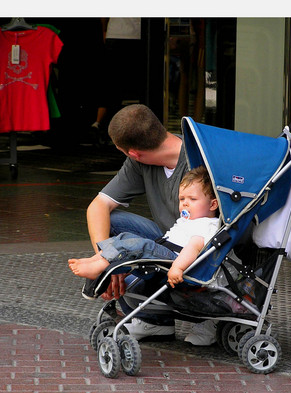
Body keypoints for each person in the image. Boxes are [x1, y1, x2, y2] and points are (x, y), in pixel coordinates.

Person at [85, 103, 220, 344]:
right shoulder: (140, 161)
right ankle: (154, 321)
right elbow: (98, 206)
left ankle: (207, 315)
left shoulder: (200, 159)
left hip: (199, 249)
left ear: (133, 152)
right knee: (112, 224)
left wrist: (113, 260)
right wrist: (109, 262)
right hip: (169, 238)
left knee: (127, 246)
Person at [69, 166, 219, 290]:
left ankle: (100, 266)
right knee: (126, 237)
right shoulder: (189, 219)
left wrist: (178, 268)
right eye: (182, 199)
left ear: (212, 204)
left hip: (175, 260)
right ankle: (97, 259)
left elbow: (193, 248)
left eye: (192, 199)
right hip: (164, 250)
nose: (185, 203)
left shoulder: (207, 225)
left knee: (139, 245)